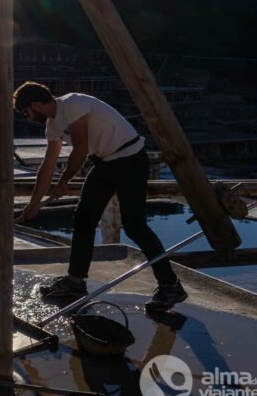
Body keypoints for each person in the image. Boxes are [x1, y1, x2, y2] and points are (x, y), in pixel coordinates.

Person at [13, 81, 187, 311]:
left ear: (36, 104)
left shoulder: (73, 103)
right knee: (83, 220)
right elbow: (48, 166)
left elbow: (80, 150)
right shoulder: (53, 126)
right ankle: (75, 282)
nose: (28, 117)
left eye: (27, 112)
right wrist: (32, 205)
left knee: (135, 226)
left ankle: (170, 286)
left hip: (130, 159)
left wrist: (64, 182)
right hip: (105, 163)